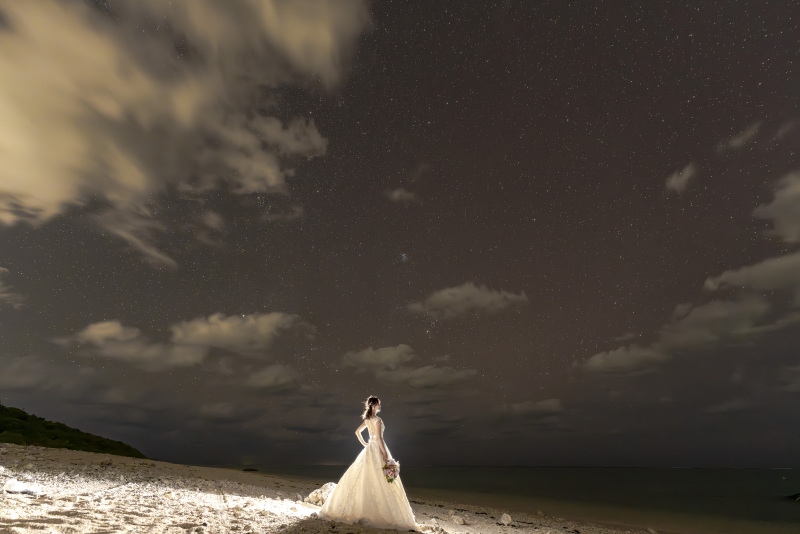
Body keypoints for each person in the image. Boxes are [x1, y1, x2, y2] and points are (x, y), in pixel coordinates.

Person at [318, 396, 417, 530]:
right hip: (377, 448)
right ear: (374, 405)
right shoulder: (378, 420)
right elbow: (380, 438)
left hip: (369, 448)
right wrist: (384, 453)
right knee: (382, 477)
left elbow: (357, 432)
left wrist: (365, 443)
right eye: (379, 404)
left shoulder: (367, 420)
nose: (380, 406)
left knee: (365, 475)